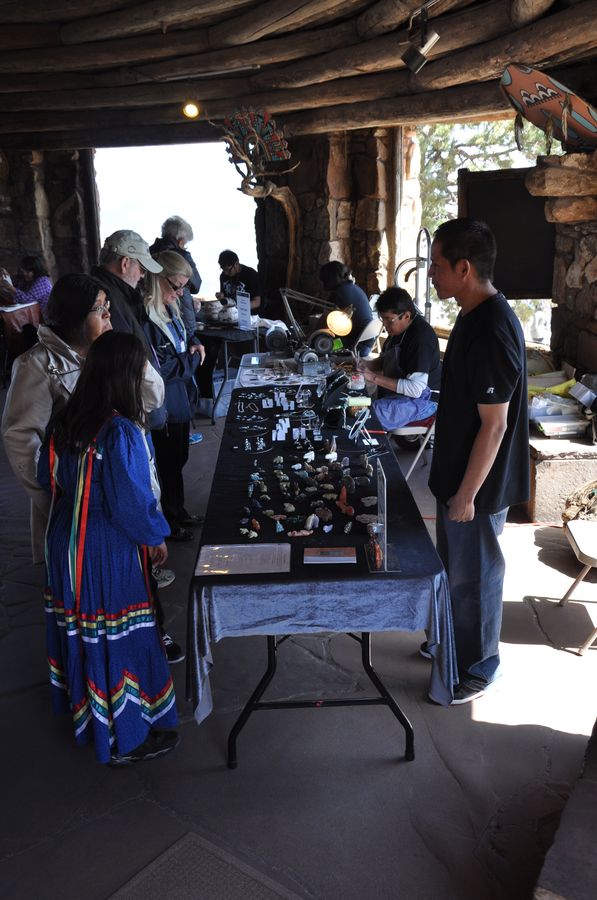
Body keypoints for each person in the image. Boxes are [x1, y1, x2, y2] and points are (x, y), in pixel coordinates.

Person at [38, 331, 179, 766]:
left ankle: (90, 717)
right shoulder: (119, 431)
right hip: (104, 548)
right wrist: (155, 536)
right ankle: (125, 738)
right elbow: (132, 503)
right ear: (125, 376)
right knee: (114, 635)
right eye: (140, 371)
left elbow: (49, 480)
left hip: (66, 540)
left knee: (82, 630)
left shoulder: (65, 419)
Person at [427, 218, 529, 705]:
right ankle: (456, 643)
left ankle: (480, 667)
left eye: (437, 265)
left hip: (479, 486)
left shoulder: (491, 328)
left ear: (463, 268)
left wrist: (467, 494)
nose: (430, 274)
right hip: (458, 477)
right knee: (456, 571)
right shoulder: (471, 313)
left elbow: (495, 426)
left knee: (476, 578)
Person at [2, 274, 148, 563]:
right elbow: (21, 439)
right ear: (74, 318)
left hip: (120, 487)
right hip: (77, 499)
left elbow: (153, 397)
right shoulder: (37, 366)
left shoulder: (106, 353)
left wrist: (122, 354)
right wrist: (57, 501)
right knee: (84, 578)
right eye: (98, 309)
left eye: (107, 305)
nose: (108, 314)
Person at [143, 251, 205, 541]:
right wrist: (194, 359)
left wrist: (193, 343)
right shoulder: (146, 318)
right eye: (176, 286)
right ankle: (168, 521)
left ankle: (178, 510)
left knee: (178, 458)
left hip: (180, 397)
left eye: (184, 288)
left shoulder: (169, 308)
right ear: (157, 279)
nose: (180, 293)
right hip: (164, 402)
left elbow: (184, 337)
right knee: (166, 463)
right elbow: (162, 368)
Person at [359, 287, 440, 429]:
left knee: (366, 415)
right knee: (355, 402)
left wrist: (373, 377)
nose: (385, 325)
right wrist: (365, 365)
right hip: (404, 394)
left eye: (389, 320)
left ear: (406, 316)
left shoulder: (421, 338)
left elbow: (416, 389)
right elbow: (386, 360)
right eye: (382, 319)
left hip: (425, 400)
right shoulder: (398, 329)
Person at [91, 229, 162, 347]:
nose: (143, 275)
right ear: (125, 263)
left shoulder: (116, 293)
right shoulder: (106, 299)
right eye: (142, 269)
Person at [150, 215, 202, 339]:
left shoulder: (149, 253)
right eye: (185, 244)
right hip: (181, 314)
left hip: (155, 313)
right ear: (181, 241)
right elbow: (196, 285)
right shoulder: (182, 255)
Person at [319, 261, 374, 355]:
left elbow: (324, 321)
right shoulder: (354, 287)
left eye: (324, 281)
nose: (323, 285)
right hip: (367, 344)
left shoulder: (338, 293)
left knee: (321, 347)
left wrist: (310, 337)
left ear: (331, 279)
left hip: (355, 346)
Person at [0, 254, 53, 319]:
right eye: (23, 271)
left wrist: (10, 288)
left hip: (44, 319)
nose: (25, 274)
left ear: (36, 270)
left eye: (28, 272)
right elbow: (12, 281)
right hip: (31, 316)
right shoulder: (25, 279)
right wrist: (5, 276)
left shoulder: (43, 281)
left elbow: (27, 299)